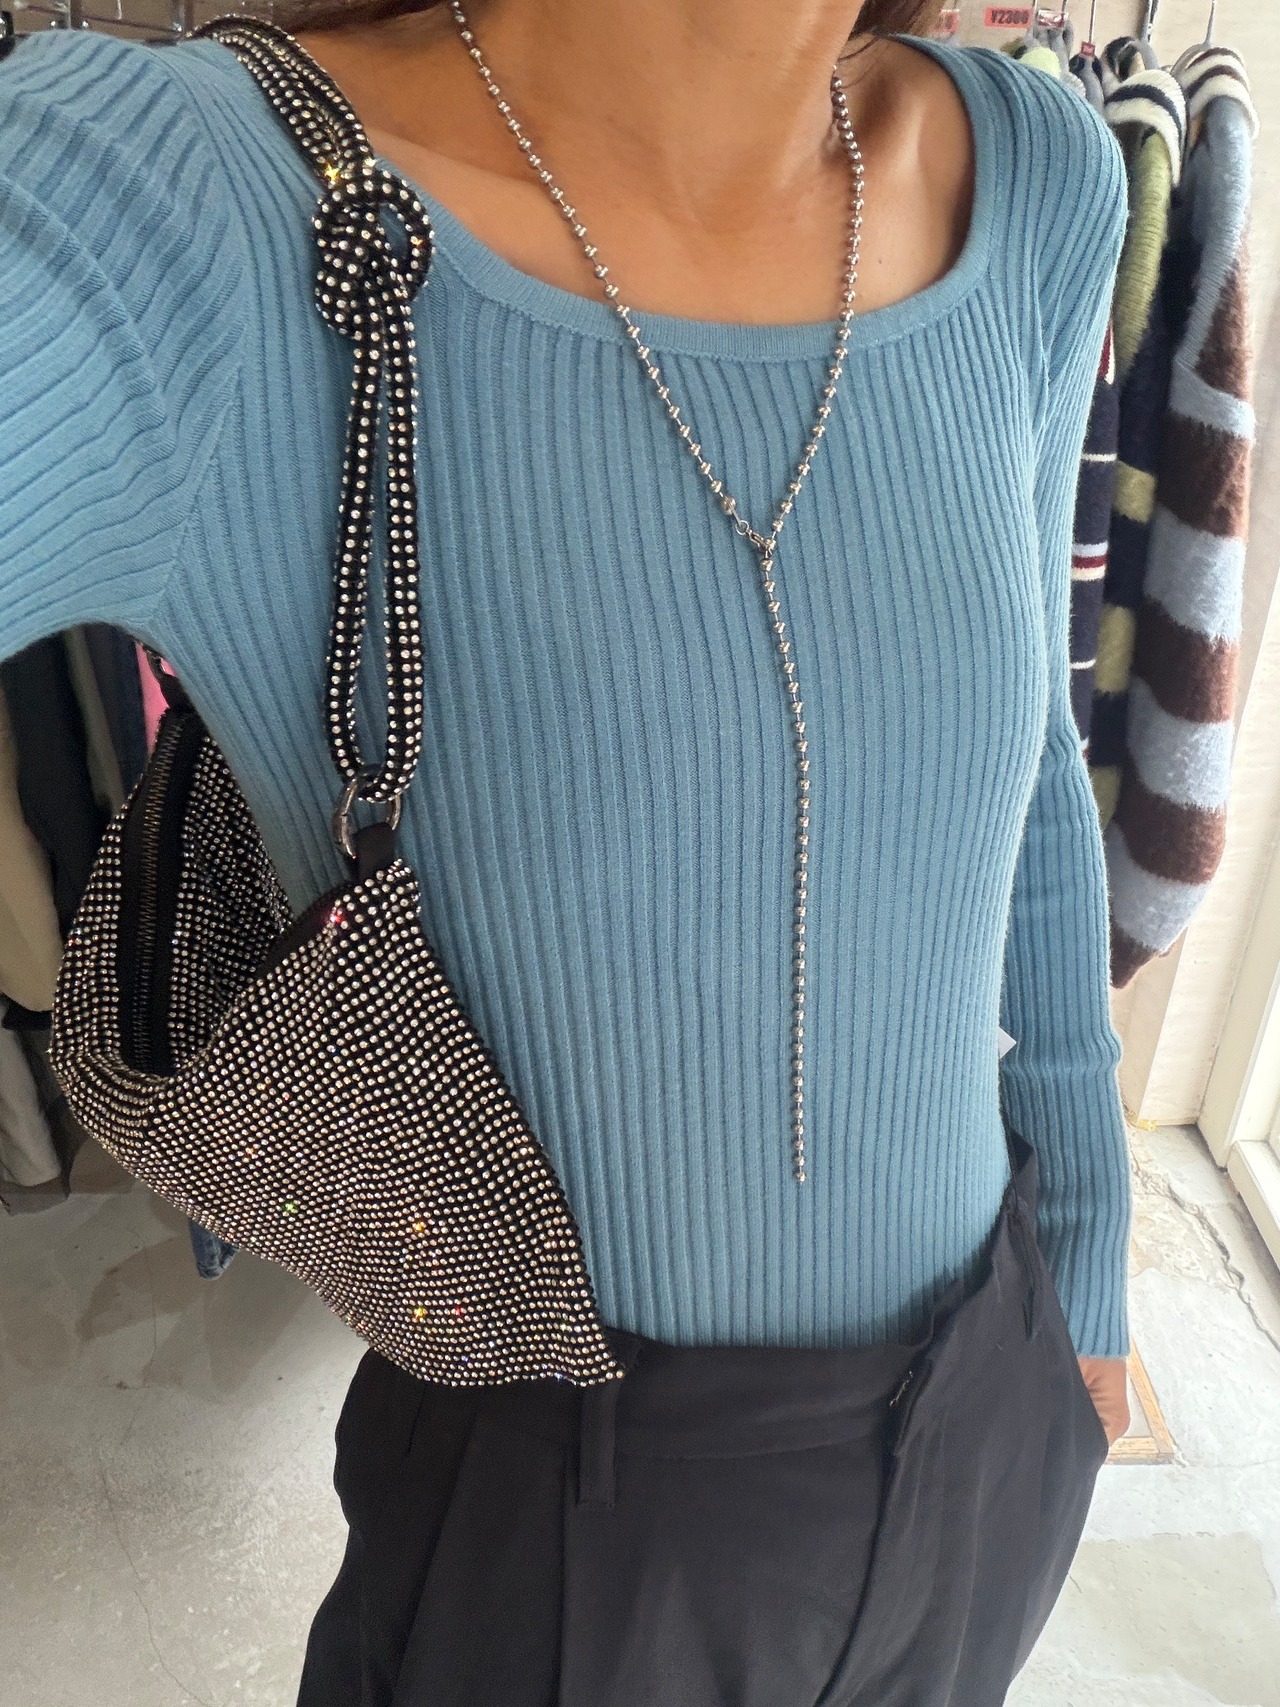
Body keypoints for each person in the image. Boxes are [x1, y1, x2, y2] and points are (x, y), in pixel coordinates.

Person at [0, 1, 1133, 1700]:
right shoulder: (176, 211)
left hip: (989, 1413)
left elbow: (1034, 764)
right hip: (561, 1527)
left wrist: (1088, 1266)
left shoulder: (1034, 175)